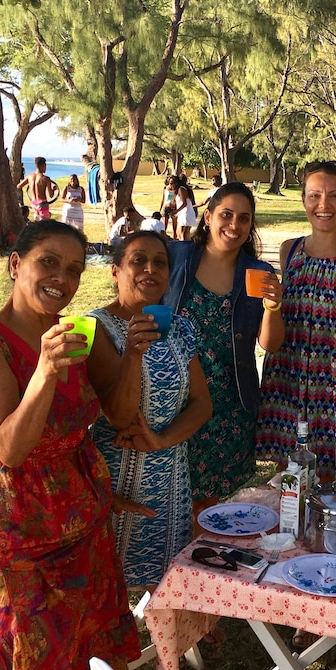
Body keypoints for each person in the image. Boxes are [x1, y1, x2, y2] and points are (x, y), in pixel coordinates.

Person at [0, 220, 141, 670]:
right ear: (17, 264)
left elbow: (118, 414)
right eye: (48, 263)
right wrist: (45, 372)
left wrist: (131, 354)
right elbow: (9, 449)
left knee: (81, 647)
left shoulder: (75, 333)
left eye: (74, 270)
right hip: (14, 535)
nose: (62, 279)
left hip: (82, 524)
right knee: (24, 654)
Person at [87, 231, 213, 588]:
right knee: (108, 587)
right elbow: (119, 417)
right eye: (137, 260)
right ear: (115, 270)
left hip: (171, 478)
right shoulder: (97, 328)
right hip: (118, 481)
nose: (150, 269)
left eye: (160, 262)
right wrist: (132, 354)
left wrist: (161, 440)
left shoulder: (178, 327)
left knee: (164, 582)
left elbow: (202, 404)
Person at [257, 160, 336, 482]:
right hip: (290, 380)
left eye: (334, 195)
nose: (323, 205)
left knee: (334, 488)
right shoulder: (290, 250)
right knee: (289, 483)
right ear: (303, 200)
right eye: (314, 195)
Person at [164, 181, 285, 529]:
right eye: (226, 215)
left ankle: (199, 567)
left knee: (209, 505)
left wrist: (273, 308)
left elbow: (270, 344)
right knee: (168, 492)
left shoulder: (259, 273)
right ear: (208, 217)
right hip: (175, 398)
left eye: (244, 218)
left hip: (229, 404)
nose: (234, 225)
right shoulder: (176, 257)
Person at [17, 156, 60, 221]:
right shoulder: (46, 178)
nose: (46, 168)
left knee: (37, 222)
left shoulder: (30, 176)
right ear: (43, 165)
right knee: (44, 224)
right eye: (45, 165)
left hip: (34, 203)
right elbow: (51, 195)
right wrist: (54, 189)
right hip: (42, 203)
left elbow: (19, 186)